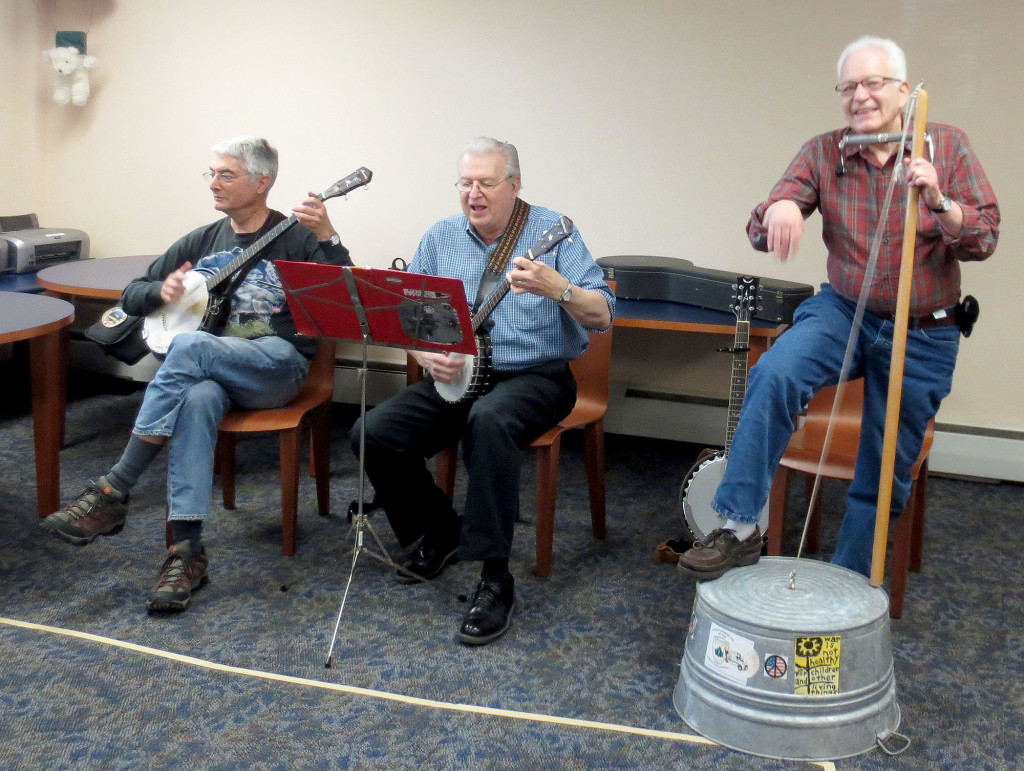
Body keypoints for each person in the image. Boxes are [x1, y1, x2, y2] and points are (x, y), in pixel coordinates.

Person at [678, 36, 999, 580]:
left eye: (873, 83)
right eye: (849, 86)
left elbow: (984, 238)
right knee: (775, 373)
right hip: (845, 312)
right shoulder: (824, 151)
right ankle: (737, 526)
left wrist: (941, 202)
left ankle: (849, 583)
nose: (860, 96)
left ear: (903, 90)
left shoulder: (945, 146)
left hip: (923, 331)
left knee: (885, 460)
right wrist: (779, 206)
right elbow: (764, 224)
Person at [41, 136, 353, 612]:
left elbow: (347, 300)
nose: (214, 183)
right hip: (212, 370)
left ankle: (114, 487)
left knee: (189, 348)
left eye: (226, 175)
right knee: (198, 398)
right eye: (211, 173)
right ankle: (186, 552)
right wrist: (158, 292)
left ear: (262, 181)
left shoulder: (297, 238)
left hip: (276, 368)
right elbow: (131, 294)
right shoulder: (204, 239)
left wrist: (328, 236)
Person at [353, 137, 614, 645]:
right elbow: (415, 318)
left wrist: (556, 287)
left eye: (486, 183)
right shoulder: (441, 236)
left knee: (489, 422)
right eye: (465, 183)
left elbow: (602, 314)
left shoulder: (553, 232)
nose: (474, 193)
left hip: (537, 377)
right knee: (373, 431)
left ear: (514, 187)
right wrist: (422, 352)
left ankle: (496, 578)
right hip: (460, 377)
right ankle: (439, 530)